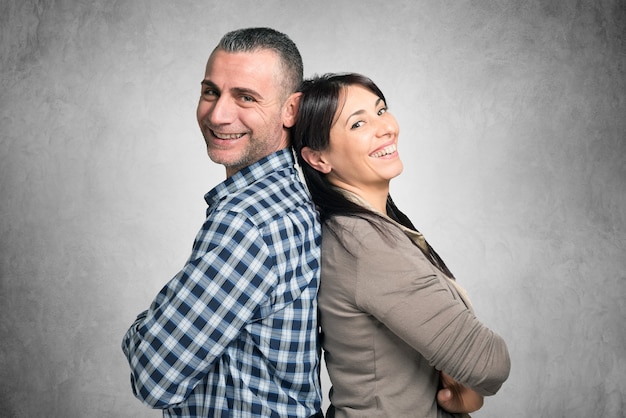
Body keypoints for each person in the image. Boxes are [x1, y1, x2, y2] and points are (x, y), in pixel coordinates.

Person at [122, 28, 323, 418]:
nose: (217, 115)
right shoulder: (292, 198)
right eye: (210, 91)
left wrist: (142, 328)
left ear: (291, 110)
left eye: (245, 97)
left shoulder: (248, 223)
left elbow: (153, 375)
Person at [292, 73, 511, 417]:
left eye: (381, 111)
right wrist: (468, 388)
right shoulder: (364, 245)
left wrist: (467, 390)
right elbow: (490, 363)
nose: (386, 128)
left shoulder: (372, 227)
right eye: (358, 123)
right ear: (319, 159)